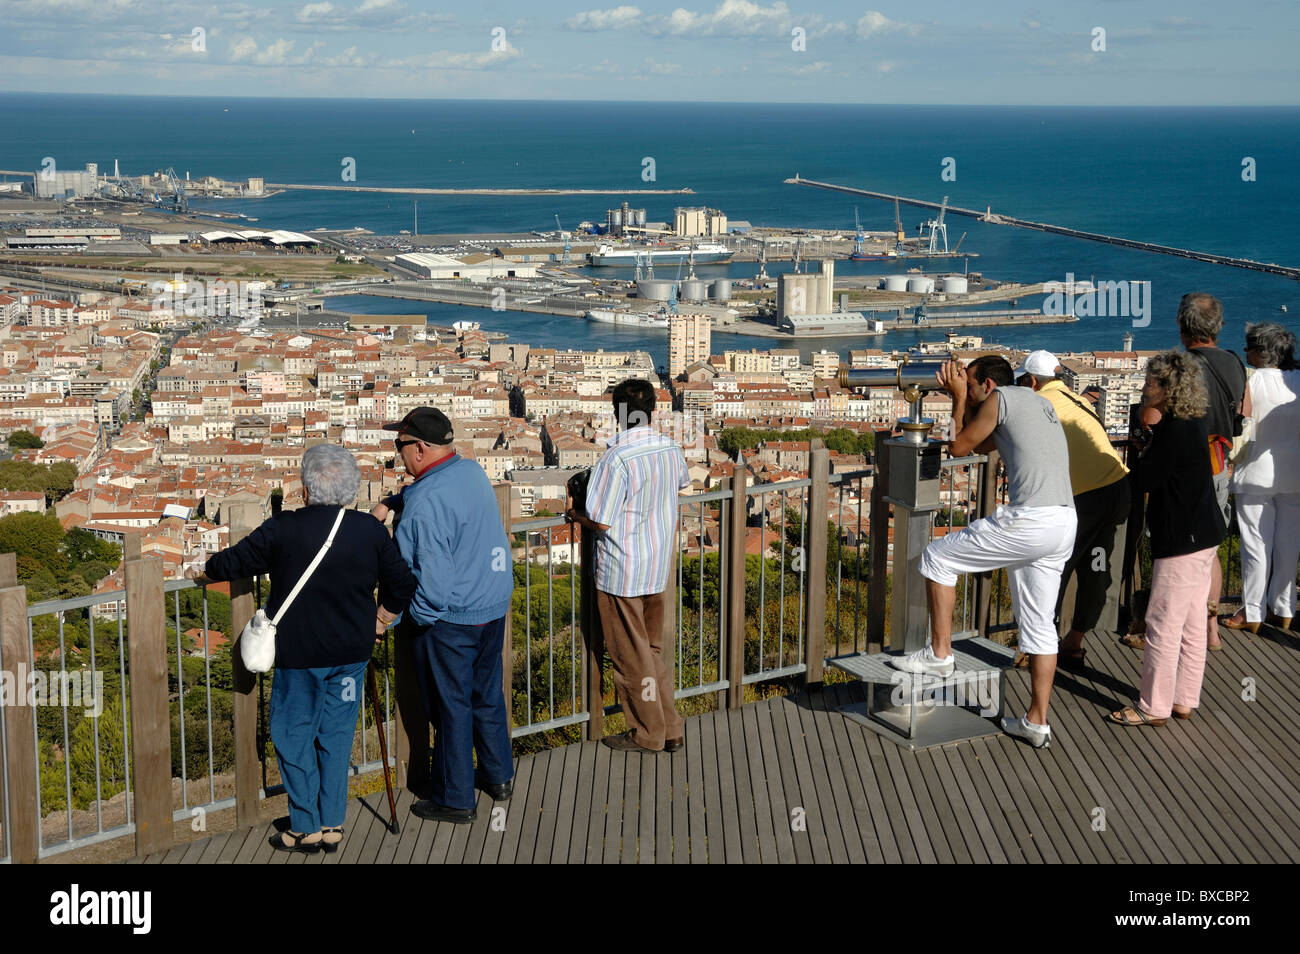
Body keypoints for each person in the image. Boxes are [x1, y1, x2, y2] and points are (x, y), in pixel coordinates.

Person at [189, 444, 416, 853]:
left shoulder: (284, 528)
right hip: (351, 655)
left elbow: (237, 561)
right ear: (350, 491)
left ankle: (305, 826)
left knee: (293, 736)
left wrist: (204, 569)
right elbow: (402, 584)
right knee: (336, 734)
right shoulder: (369, 531)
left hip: (300, 656)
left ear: (306, 489)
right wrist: (381, 620)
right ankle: (332, 824)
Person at [889, 355, 1076, 749]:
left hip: (1030, 520)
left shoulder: (1000, 399)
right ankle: (1036, 721)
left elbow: (958, 447)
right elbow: (985, 440)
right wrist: (963, 394)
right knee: (1041, 626)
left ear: (988, 386)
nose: (969, 389)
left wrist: (956, 399)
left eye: (972, 384)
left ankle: (940, 655)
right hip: (1063, 521)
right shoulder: (1035, 400)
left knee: (937, 557)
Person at [384, 406, 516, 824]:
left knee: (450, 707)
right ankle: (498, 777)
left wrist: (414, 620)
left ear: (420, 448)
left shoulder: (424, 504)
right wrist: (394, 499)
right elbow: (440, 497)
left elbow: (433, 586)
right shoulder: (471, 472)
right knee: (486, 693)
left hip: (453, 618)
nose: (396, 454)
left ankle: (456, 798)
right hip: (492, 606)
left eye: (399, 445)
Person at [567, 379, 690, 754]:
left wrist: (576, 514)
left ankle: (647, 734)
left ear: (618, 415)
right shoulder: (670, 448)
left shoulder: (616, 458)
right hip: (657, 567)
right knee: (650, 652)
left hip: (622, 572)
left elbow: (601, 521)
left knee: (629, 659)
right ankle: (670, 727)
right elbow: (680, 484)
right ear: (653, 411)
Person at [1110, 351, 1226, 727]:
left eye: (1150, 383)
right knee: (1193, 624)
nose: (1144, 388)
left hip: (1181, 540)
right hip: (1205, 533)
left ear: (1166, 388)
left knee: (1162, 622)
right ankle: (1183, 699)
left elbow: (1144, 480)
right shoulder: (1192, 421)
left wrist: (1141, 452)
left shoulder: (1173, 431)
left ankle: (1152, 705)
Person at [1015, 350, 1130, 668]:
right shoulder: (1077, 398)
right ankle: (1074, 642)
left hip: (1084, 498)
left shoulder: (1039, 403)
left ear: (1033, 381)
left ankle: (1040, 647)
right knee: (1096, 568)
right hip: (1117, 489)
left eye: (1023, 381)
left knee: (1053, 568)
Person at [1175, 293, 1248, 650]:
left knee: (1178, 550)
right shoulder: (1235, 362)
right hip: (1220, 460)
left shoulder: (1180, 365)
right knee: (1211, 548)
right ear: (1218, 326)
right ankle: (1210, 627)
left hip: (1186, 465)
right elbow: (1242, 412)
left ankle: (1176, 627)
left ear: (1182, 324)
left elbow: (1155, 417)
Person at [1222, 323, 1300, 633]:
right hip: (1293, 473)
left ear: (1262, 352)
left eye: (1249, 347)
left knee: (1256, 544)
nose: (1245, 352)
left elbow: (1239, 426)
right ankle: (1285, 608)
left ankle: (1252, 611)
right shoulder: (1297, 381)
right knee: (1289, 543)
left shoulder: (1250, 381)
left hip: (1254, 473)